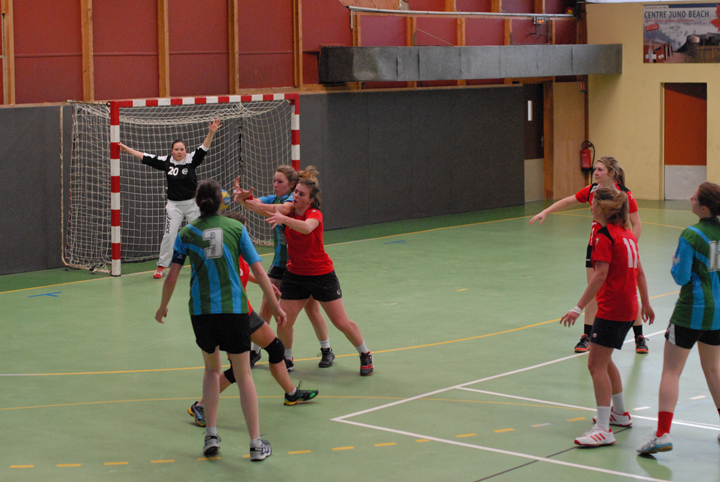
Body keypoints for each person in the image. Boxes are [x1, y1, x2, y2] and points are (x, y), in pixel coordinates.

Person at [155, 179, 285, 461]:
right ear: (221, 203)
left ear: (196, 203)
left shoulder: (187, 233)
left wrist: (163, 306)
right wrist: (275, 306)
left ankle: (211, 435)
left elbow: (172, 277)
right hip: (234, 310)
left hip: (202, 312)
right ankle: (255, 444)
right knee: (243, 374)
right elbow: (259, 272)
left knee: (211, 371)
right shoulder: (236, 228)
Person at [187, 211, 319, 428]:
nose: (246, 234)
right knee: (238, 370)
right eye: (244, 230)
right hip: (230, 315)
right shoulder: (225, 253)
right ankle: (200, 405)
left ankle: (291, 394)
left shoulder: (237, 250)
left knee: (276, 348)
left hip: (245, 313)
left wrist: (266, 285)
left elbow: (245, 272)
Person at [560, 187, 654, 447]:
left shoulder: (604, 236)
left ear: (601, 209)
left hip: (612, 308)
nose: (590, 206)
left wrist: (578, 307)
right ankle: (619, 413)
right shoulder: (627, 235)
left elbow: (600, 274)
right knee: (605, 358)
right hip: (628, 308)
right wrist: (645, 304)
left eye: (593, 204)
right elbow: (640, 273)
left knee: (595, 365)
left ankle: (603, 429)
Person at [261, 166, 374, 376]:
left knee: (340, 322)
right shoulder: (288, 211)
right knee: (283, 321)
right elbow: (264, 208)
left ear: (310, 200)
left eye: (301, 194)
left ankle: (365, 353)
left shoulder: (314, 214)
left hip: (321, 275)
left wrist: (284, 219)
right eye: (296, 192)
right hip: (295, 275)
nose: (296, 196)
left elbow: (306, 228)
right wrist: (245, 200)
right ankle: (287, 359)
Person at [530, 156, 648, 354]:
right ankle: (587, 335)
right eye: (595, 169)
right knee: (593, 291)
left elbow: (637, 224)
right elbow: (569, 201)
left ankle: (639, 336)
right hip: (596, 247)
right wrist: (546, 211)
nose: (596, 172)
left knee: (629, 291)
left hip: (620, 249)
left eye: (600, 169)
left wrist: (629, 246)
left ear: (612, 172)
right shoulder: (593, 190)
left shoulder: (624, 194)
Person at [637, 182, 720, 454]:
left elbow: (681, 277)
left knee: (671, 371)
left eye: (694, 197)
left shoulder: (691, 235)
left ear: (704, 208)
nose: (689, 198)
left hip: (690, 311)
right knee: (713, 369)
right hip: (717, 314)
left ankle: (662, 434)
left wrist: (675, 262)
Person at [234, 166, 333, 372]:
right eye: (274, 180)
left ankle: (326, 349)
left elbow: (280, 210)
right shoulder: (274, 199)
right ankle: (256, 351)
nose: (275, 185)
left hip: (299, 266)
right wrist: (245, 198)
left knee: (312, 310)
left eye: (280, 181)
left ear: (292, 185)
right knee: (266, 306)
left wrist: (251, 203)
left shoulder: (290, 202)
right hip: (280, 263)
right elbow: (257, 206)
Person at [118, 118, 221, 279]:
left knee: (201, 233)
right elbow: (145, 157)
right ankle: (161, 266)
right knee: (169, 235)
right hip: (174, 206)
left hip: (193, 204)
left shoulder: (192, 159)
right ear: (172, 151)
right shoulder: (166, 162)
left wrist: (211, 132)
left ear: (185, 151)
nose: (179, 152)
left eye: (182, 149)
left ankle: (207, 263)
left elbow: (204, 146)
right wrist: (126, 149)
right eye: (176, 149)